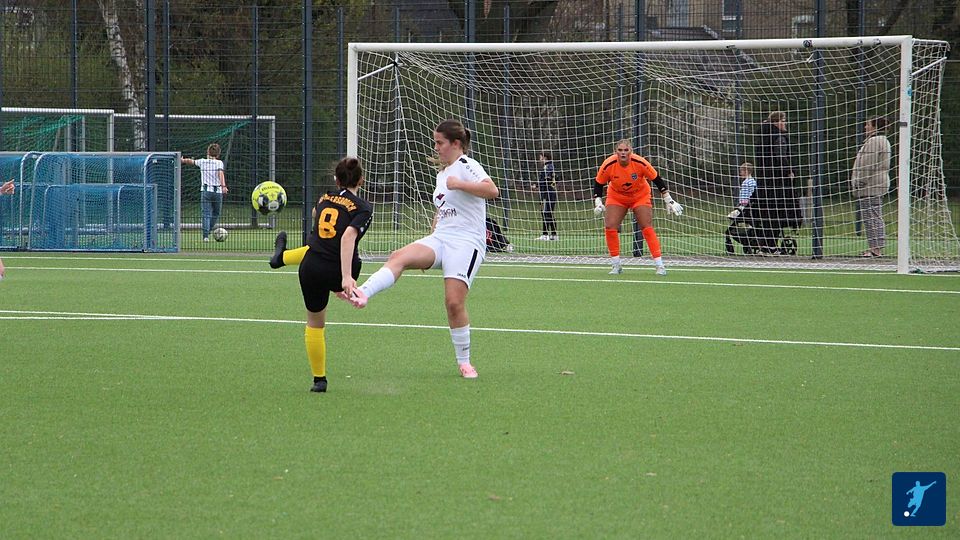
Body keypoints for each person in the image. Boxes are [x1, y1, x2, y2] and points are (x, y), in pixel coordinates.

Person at [346, 119, 499, 379]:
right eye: (435, 142)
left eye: (440, 142)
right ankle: (362, 293)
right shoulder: (442, 174)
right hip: (441, 238)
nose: (436, 147)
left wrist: (460, 184)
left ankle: (464, 362)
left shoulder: (467, 165)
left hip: (466, 242)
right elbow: (443, 210)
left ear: (456, 143)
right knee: (399, 256)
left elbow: (491, 190)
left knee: (453, 303)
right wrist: (430, 240)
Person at [286, 156, 372, 393]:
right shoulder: (363, 207)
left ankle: (319, 380)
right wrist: (346, 277)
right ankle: (341, 289)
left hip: (311, 267)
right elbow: (348, 237)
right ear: (361, 180)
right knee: (355, 260)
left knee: (315, 323)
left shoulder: (325, 197)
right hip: (336, 269)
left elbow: (316, 213)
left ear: (336, 180)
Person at [593, 139, 683, 275]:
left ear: (631, 151)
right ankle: (616, 265)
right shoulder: (608, 164)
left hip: (640, 195)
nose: (623, 153)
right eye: (620, 150)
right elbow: (598, 183)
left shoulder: (640, 162)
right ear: (615, 152)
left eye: (626, 150)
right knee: (610, 226)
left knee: (646, 226)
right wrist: (598, 202)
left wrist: (669, 200)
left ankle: (660, 266)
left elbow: (657, 179)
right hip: (617, 196)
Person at [753, 111, 801, 254]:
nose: (785, 123)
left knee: (766, 213)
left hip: (764, 180)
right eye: (783, 120)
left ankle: (765, 245)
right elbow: (780, 156)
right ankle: (771, 246)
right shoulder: (778, 137)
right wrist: (789, 171)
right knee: (777, 213)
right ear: (776, 122)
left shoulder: (762, 136)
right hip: (778, 181)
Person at [850, 117, 891, 257]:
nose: (865, 127)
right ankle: (876, 247)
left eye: (868, 124)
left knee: (871, 216)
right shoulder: (883, 140)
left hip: (871, 184)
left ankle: (876, 249)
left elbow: (867, 164)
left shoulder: (874, 142)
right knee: (873, 215)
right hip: (877, 183)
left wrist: (859, 182)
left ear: (875, 127)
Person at [181, 143, 228, 242]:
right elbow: (220, 173)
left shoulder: (202, 161)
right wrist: (223, 186)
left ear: (208, 152)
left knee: (206, 214)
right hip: (217, 191)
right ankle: (209, 230)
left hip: (205, 191)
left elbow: (191, 161)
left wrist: (183, 160)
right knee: (216, 213)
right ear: (218, 154)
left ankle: (205, 236)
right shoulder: (219, 163)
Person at [724, 162, 758, 254]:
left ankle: (742, 243)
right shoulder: (753, 181)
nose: (740, 173)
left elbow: (746, 198)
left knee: (734, 223)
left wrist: (740, 207)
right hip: (748, 207)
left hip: (745, 208)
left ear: (746, 171)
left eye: (741, 171)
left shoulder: (746, 183)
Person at [533, 151, 558, 241]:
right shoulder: (551, 166)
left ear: (545, 157)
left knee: (545, 213)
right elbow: (556, 178)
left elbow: (546, 179)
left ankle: (545, 234)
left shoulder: (547, 167)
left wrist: (537, 185)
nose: (539, 159)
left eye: (540, 157)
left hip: (548, 193)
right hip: (551, 192)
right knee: (549, 213)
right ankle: (554, 235)